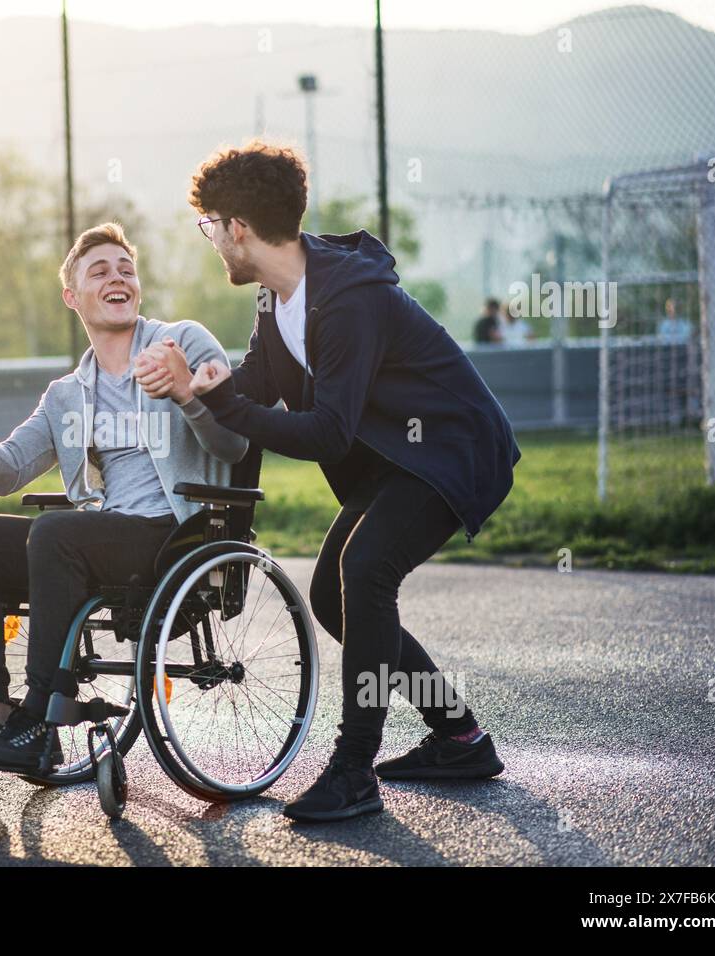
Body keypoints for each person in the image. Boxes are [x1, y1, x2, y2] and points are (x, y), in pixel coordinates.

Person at [136, 140, 521, 822]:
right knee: (333, 598)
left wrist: (224, 402)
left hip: (451, 452)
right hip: (395, 462)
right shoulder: (275, 298)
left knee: (367, 570)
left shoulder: (347, 301)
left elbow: (327, 432)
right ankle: (459, 737)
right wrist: (198, 387)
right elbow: (254, 388)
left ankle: (352, 771)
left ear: (239, 229)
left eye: (210, 227)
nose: (212, 242)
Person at [0, 222, 247, 771]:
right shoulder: (65, 394)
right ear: (71, 297)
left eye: (126, 270)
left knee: (58, 530)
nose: (117, 278)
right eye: (99, 271)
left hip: (176, 535)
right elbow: (6, 473)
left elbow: (235, 444)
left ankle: (38, 714)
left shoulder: (182, 342)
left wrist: (185, 394)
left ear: (138, 290)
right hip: (98, 537)